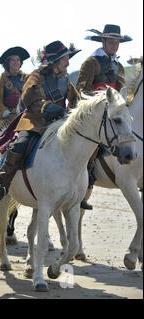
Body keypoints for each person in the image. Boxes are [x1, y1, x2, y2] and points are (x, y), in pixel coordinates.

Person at [0, 41, 80, 202]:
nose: (68, 62)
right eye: (65, 59)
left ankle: (85, 184)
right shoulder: (36, 76)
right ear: (56, 61)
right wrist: (52, 109)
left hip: (61, 122)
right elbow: (31, 99)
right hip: (35, 121)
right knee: (20, 144)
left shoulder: (65, 78)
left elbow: (76, 99)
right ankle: (2, 184)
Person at [76, 24, 132, 210]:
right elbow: (81, 89)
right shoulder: (91, 62)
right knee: (90, 149)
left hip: (113, 113)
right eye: (111, 42)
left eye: (117, 42)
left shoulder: (119, 65)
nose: (115, 45)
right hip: (95, 114)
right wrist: (102, 100)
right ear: (103, 41)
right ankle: (84, 186)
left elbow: (123, 92)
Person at [0, 46, 30, 123]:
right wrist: (4, 112)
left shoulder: (28, 78)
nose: (16, 62)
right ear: (7, 62)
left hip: (26, 115)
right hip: (8, 117)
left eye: (18, 60)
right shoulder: (0, 79)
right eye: (13, 60)